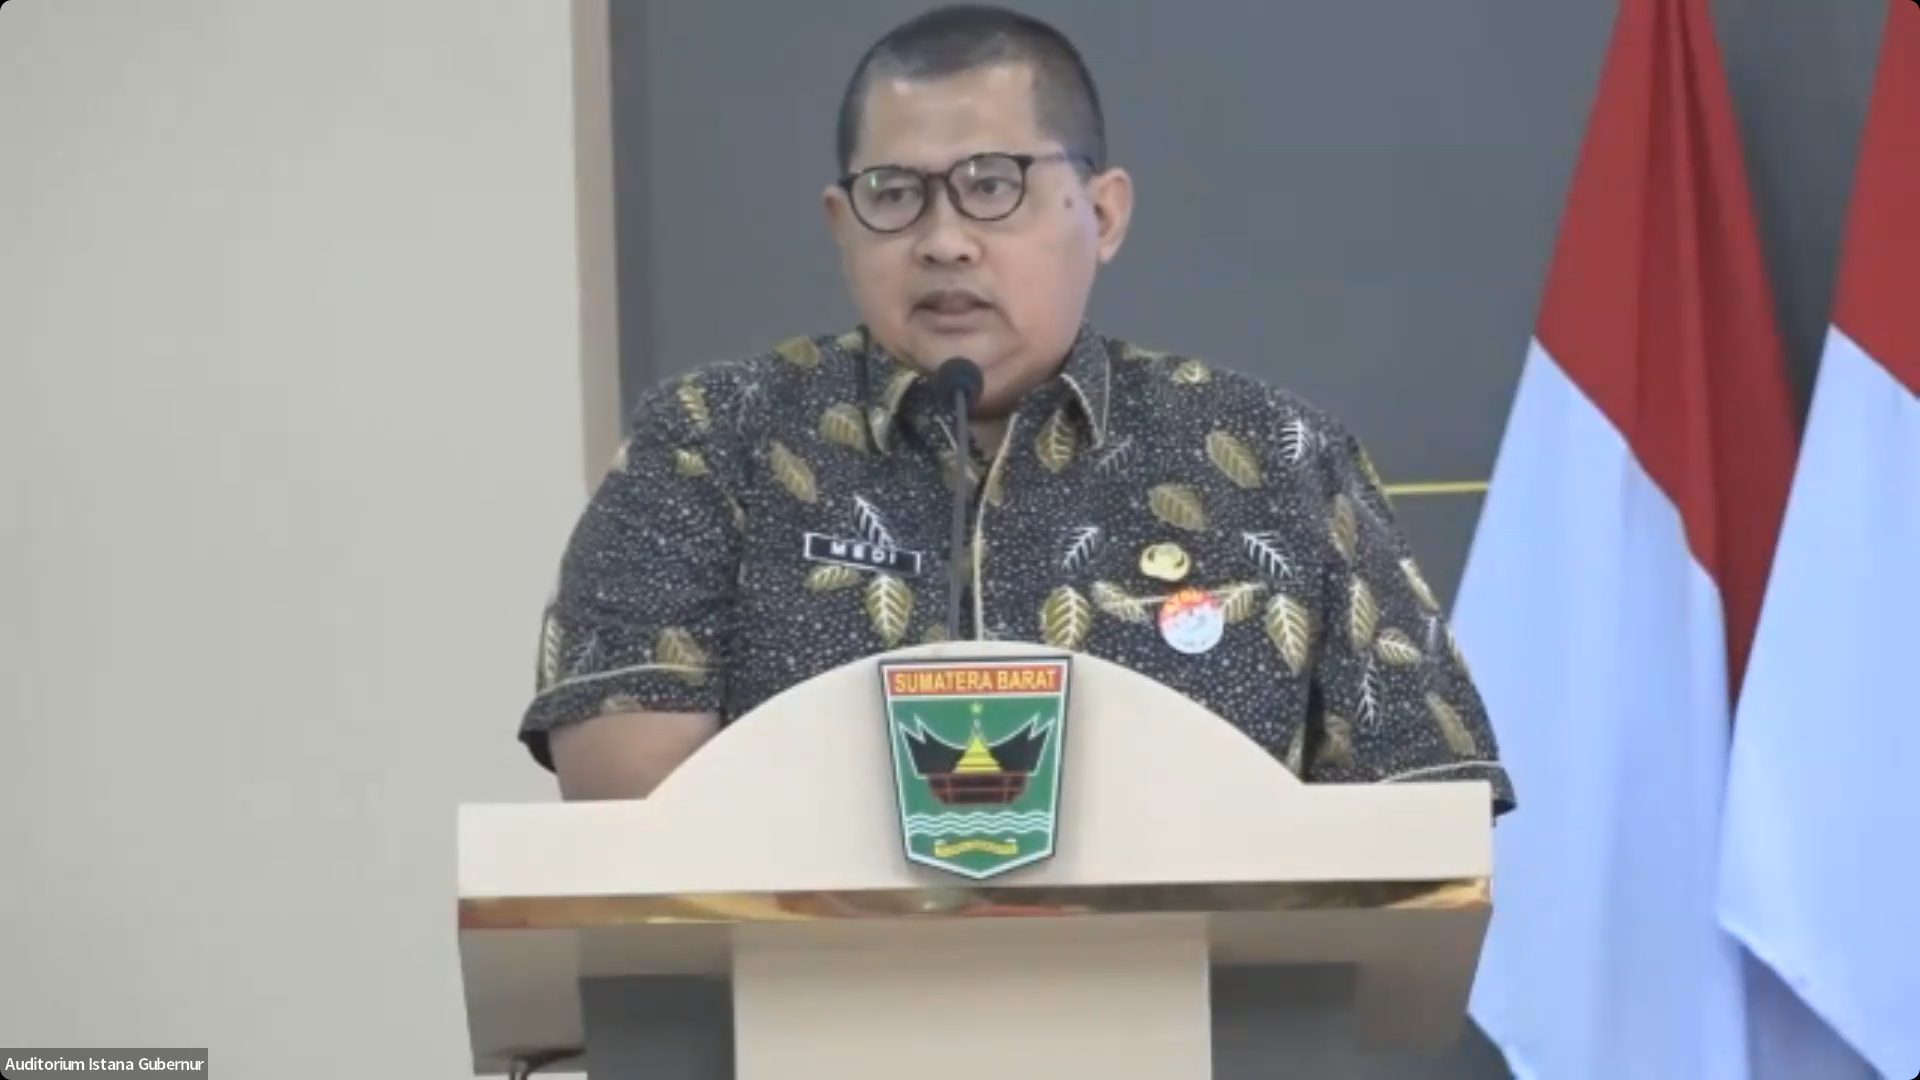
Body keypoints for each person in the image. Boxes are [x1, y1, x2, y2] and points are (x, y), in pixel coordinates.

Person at [519, 3, 1515, 815]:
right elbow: (628, 802)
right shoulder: (711, 441)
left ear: (1104, 213)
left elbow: (1426, 819)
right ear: (842, 224)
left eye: (992, 186)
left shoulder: (1276, 456)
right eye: (894, 194)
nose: (944, 239)